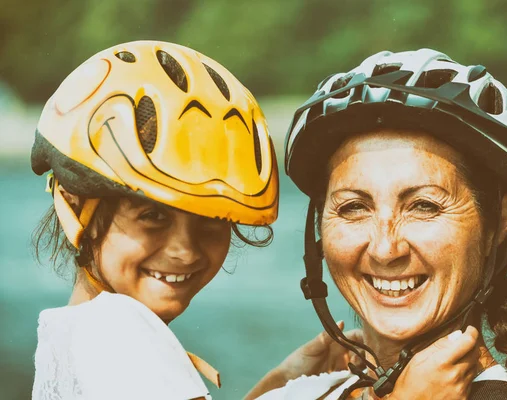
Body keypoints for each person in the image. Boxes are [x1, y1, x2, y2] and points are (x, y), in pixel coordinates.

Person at [30, 40, 361, 400]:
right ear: (76, 207)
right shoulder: (120, 329)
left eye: (211, 219)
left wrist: (283, 381)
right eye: (152, 216)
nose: (184, 250)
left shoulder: (68, 333)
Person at [272, 48, 507, 399]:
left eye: (424, 206)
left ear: (499, 221)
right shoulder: (306, 390)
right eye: (354, 207)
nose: (386, 249)